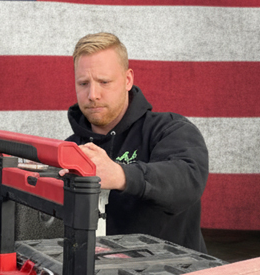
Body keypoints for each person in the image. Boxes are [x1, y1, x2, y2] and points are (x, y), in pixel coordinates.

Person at [67, 32, 209, 251]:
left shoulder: (170, 129)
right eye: (83, 83)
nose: (93, 94)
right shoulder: (71, 149)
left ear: (128, 80)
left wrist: (120, 175)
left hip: (170, 274)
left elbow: (188, 180)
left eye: (104, 82)